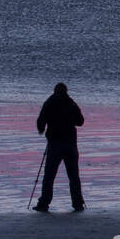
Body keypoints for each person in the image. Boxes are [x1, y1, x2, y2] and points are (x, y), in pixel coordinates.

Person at [33, 83, 86, 212]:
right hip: (70, 144)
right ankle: (78, 203)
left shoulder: (49, 102)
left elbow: (40, 123)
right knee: (73, 176)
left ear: (55, 91)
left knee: (49, 176)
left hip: (55, 143)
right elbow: (80, 121)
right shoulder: (71, 103)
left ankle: (44, 203)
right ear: (66, 91)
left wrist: (43, 130)